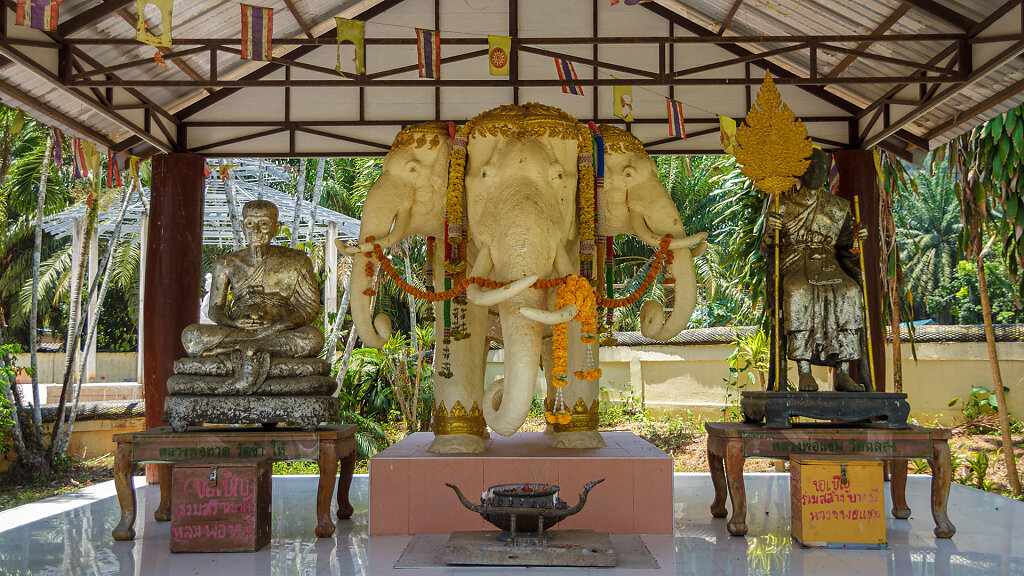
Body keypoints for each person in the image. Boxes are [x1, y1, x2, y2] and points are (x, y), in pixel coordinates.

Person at [764, 149, 868, 392]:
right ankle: (804, 370)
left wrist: (856, 239)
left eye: (821, 169)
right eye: (811, 168)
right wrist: (771, 230)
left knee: (850, 291)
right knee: (798, 290)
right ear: (801, 171)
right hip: (795, 260)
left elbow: (844, 248)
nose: (816, 173)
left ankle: (843, 371)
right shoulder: (783, 205)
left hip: (828, 262)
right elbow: (767, 249)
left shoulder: (838, 207)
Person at [181, 200, 322, 359]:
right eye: (249, 223)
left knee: (313, 337)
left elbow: (308, 309)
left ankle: (241, 348)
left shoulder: (297, 261)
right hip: (239, 331)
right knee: (191, 336)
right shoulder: (226, 263)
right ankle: (257, 346)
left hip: (279, 331)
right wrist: (234, 324)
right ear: (242, 226)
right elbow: (215, 309)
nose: (256, 230)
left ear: (276, 228)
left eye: (263, 224)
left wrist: (279, 326)